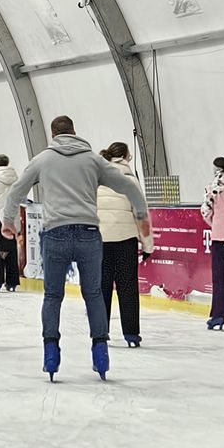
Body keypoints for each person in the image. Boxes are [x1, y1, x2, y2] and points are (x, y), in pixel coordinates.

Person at [0, 118, 150, 381]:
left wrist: (8, 221)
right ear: (75, 132)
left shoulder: (42, 160)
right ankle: (100, 352)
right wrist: (141, 214)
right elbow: (129, 185)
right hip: (89, 234)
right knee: (93, 294)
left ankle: (51, 352)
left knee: (53, 296)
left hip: (55, 233)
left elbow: (15, 192)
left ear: (53, 134)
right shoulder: (93, 160)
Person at [96, 142, 151, 348]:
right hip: (125, 239)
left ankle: (101, 332)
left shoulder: (98, 177)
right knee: (127, 286)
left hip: (101, 238)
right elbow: (141, 214)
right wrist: (148, 245)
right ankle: (131, 333)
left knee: (102, 286)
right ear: (127, 157)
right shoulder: (130, 179)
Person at [201, 156, 224, 330]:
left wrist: (216, 224)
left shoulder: (213, 188)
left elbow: (206, 211)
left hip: (219, 237)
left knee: (220, 278)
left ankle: (218, 316)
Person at [0, 154, 23, 291]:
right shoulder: (16, 179)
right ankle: (12, 283)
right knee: (12, 250)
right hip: (12, 218)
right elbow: (22, 197)